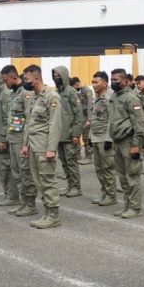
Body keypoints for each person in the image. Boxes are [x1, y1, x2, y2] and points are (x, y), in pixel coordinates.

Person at [21, 66, 63, 229]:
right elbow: (29, 123)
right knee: (39, 181)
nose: (25, 82)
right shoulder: (33, 97)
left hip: (45, 146)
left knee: (48, 180)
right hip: (33, 145)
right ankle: (47, 212)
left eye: (27, 79)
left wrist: (51, 148)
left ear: (36, 79)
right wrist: (25, 144)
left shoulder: (51, 96)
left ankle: (53, 215)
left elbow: (55, 124)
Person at [108, 68, 144, 219]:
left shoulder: (131, 98)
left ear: (124, 80)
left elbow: (140, 123)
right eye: (111, 80)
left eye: (115, 80)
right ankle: (127, 205)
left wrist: (136, 145)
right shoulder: (114, 97)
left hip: (129, 141)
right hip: (117, 141)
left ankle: (135, 207)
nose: (113, 82)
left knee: (132, 175)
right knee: (122, 177)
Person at [4, 66, 36, 217]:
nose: (5, 83)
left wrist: (26, 143)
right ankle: (23, 202)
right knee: (16, 172)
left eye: (6, 80)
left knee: (25, 173)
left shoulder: (26, 93)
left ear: (14, 77)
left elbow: (29, 120)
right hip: (13, 137)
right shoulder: (13, 93)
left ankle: (30, 204)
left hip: (22, 139)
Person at [0, 66, 21, 207]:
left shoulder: (7, 96)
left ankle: (13, 196)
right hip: (2, 138)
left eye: (6, 80)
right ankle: (9, 195)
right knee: (4, 170)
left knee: (9, 170)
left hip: (9, 139)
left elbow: (8, 119)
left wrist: (3, 138)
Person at [52, 66, 84, 198]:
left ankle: (76, 187)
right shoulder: (55, 93)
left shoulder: (71, 92)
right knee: (64, 162)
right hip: (59, 135)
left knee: (71, 162)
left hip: (70, 134)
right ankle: (70, 185)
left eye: (58, 75)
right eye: (54, 75)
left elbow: (78, 114)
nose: (56, 78)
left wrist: (76, 134)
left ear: (64, 76)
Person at [88, 71, 117, 207]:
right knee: (99, 169)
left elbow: (111, 119)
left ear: (105, 83)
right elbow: (93, 119)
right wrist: (89, 136)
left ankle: (111, 196)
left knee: (108, 168)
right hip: (95, 137)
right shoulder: (96, 98)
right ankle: (104, 193)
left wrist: (108, 138)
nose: (93, 85)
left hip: (104, 139)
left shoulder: (109, 97)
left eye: (96, 82)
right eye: (93, 82)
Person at [71, 76, 93, 164]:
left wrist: (89, 119)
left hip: (85, 117)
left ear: (77, 84)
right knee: (76, 136)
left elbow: (89, 106)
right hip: (79, 118)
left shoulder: (87, 91)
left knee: (86, 138)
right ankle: (78, 156)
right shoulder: (78, 92)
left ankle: (89, 157)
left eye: (74, 87)